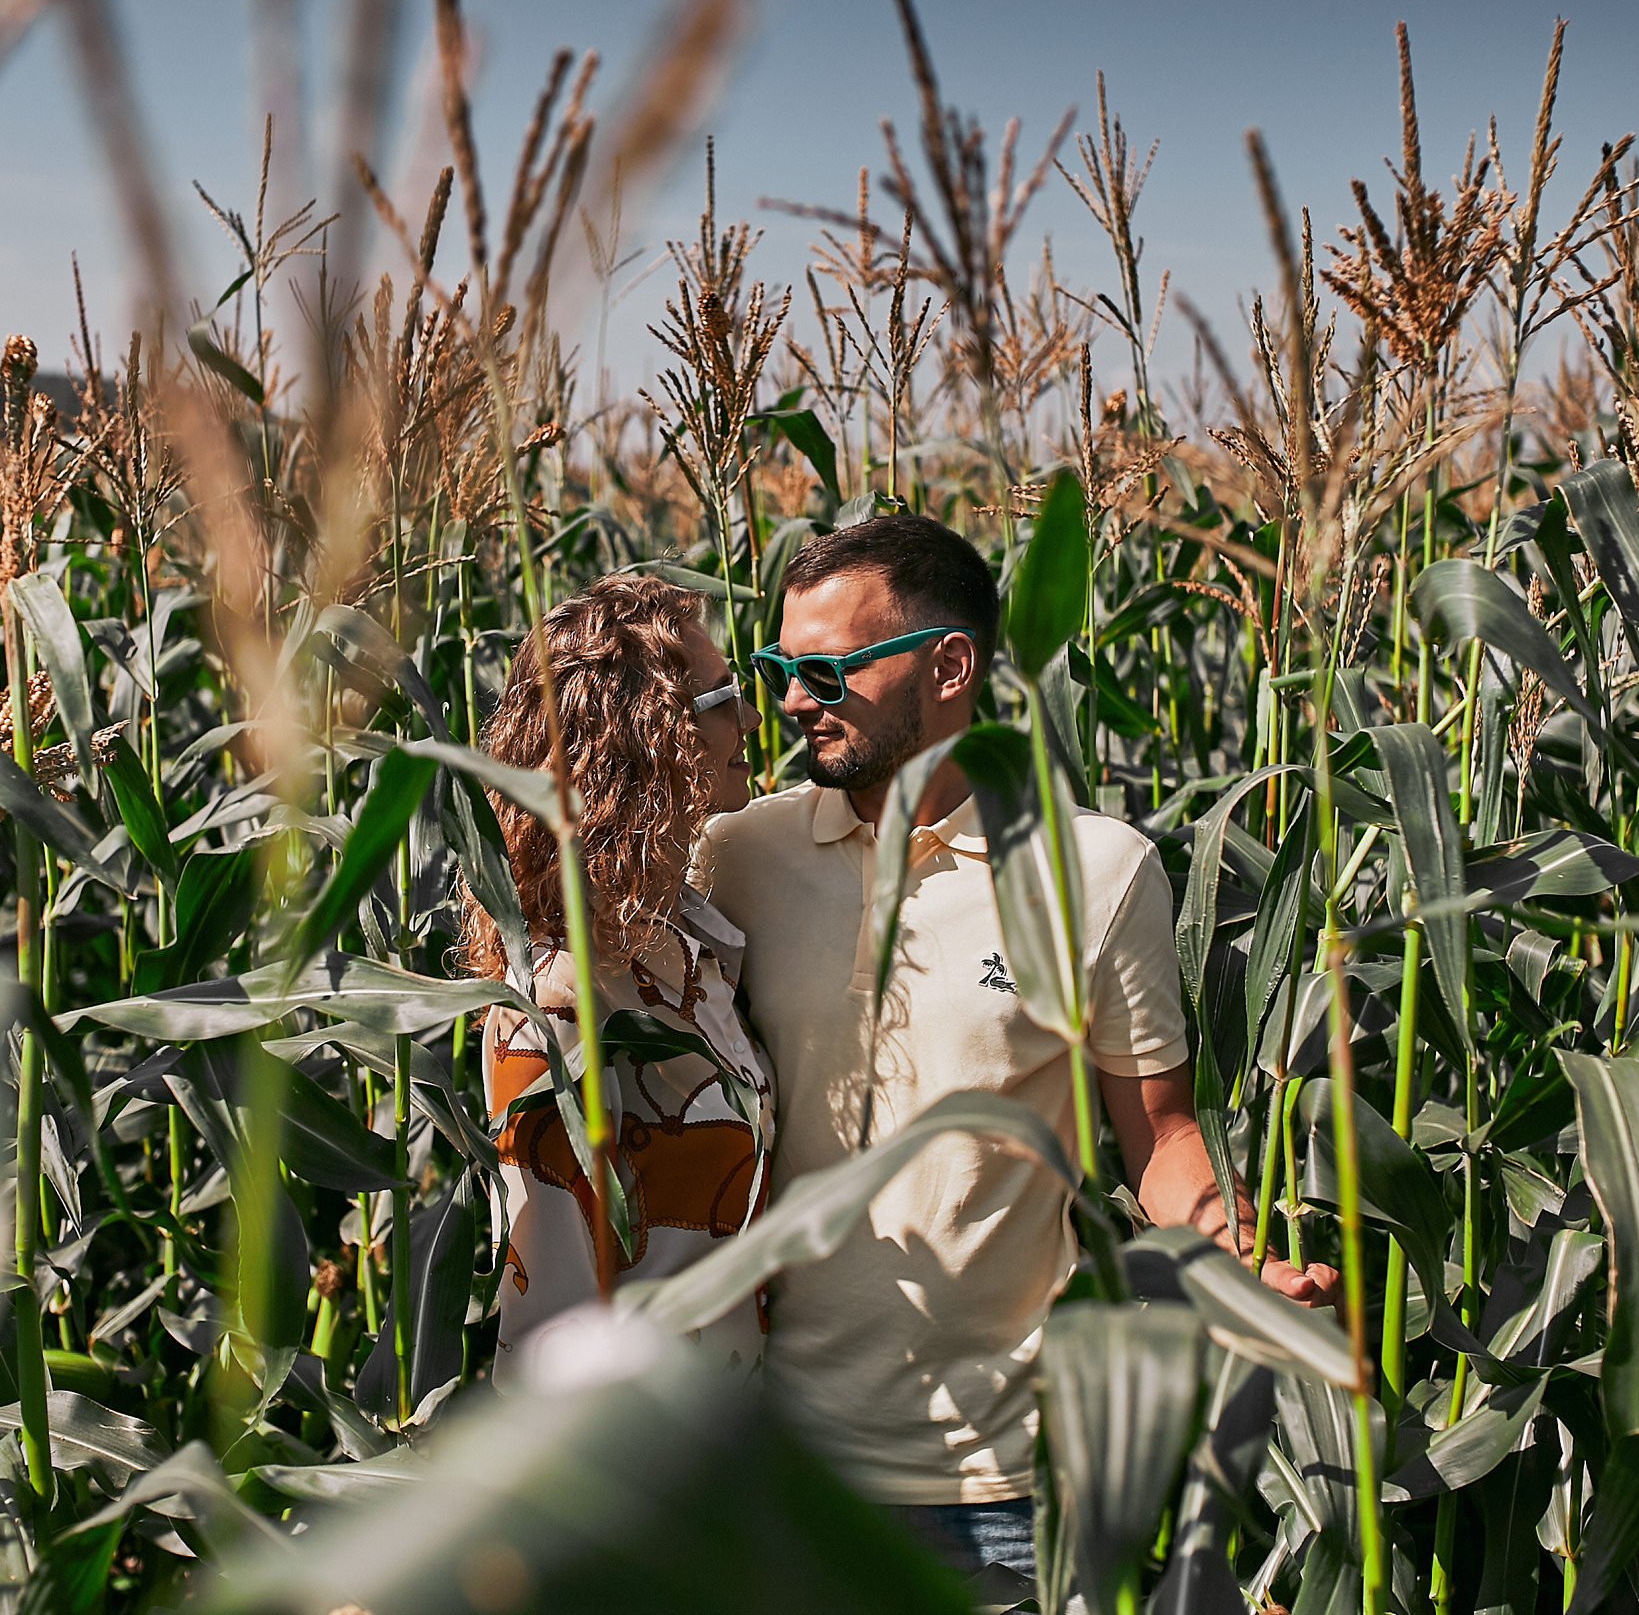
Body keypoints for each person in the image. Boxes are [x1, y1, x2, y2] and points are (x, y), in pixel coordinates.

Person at [700, 515, 1338, 1584]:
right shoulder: (739, 857)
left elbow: (1162, 1134)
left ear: (950, 664)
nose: (793, 699)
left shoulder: (1096, 870)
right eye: (776, 667)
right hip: (786, 1466)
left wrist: (1240, 1259)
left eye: (825, 669)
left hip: (1007, 1487)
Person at [460, 573, 774, 1379]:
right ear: (644, 738)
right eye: (722, 700)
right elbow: (549, 1342)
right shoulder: (560, 1006)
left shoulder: (682, 943)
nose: (750, 717)